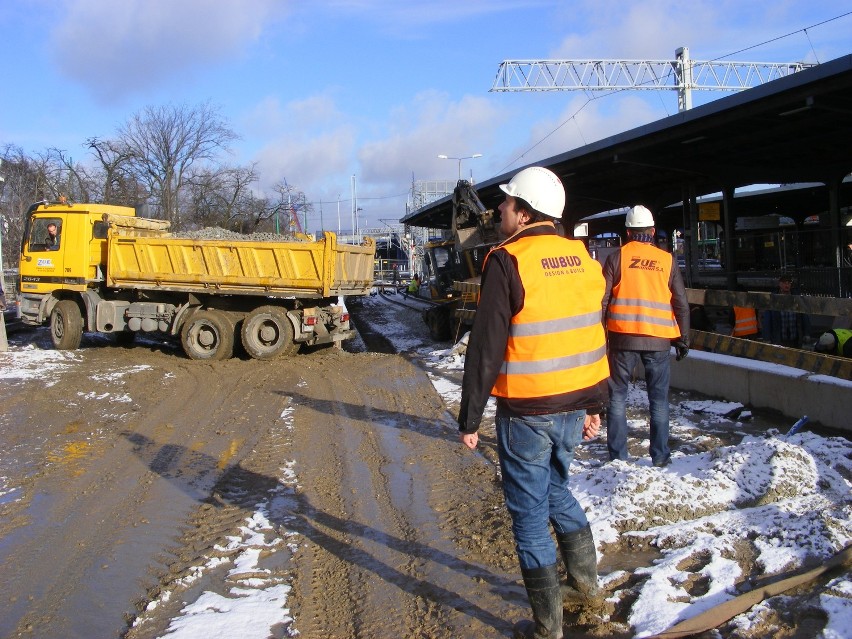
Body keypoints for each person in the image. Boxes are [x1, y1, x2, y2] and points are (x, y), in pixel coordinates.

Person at [457, 166, 609, 639]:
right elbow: (591, 335)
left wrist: (469, 417)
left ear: (524, 213)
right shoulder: (584, 259)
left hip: (526, 412)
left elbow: (486, 346)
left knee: (527, 516)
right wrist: (594, 406)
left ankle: (548, 629)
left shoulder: (507, 260)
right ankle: (585, 586)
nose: (498, 209)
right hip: (572, 406)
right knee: (557, 491)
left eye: (505, 202)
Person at [601, 205, 690, 468]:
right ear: (652, 231)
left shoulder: (616, 258)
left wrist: (598, 335)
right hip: (659, 341)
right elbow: (681, 303)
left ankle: (618, 458)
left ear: (628, 232)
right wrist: (684, 338)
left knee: (617, 397)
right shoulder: (667, 260)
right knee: (659, 400)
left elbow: (602, 301)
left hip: (622, 339)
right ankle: (660, 457)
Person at [760, 274, 810, 348]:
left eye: (789, 283)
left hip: (795, 339)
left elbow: (804, 316)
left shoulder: (797, 298)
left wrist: (807, 333)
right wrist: (766, 338)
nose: (787, 285)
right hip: (779, 339)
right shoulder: (773, 299)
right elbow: (767, 319)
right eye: (784, 283)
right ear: (780, 284)